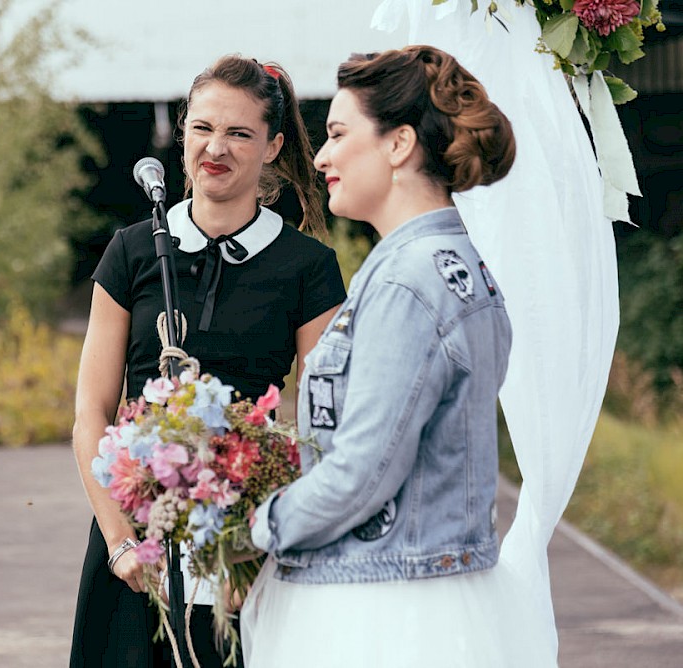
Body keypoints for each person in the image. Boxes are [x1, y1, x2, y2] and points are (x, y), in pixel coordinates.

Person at [241, 46, 554, 667]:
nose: (322, 156)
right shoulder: (459, 264)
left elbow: (364, 467)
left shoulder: (406, 283)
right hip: (433, 584)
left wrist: (260, 523)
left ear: (398, 144)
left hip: (386, 605)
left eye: (336, 133)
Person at [69, 56, 346, 667]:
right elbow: (91, 411)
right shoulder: (133, 250)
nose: (214, 148)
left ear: (273, 145)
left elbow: (326, 426)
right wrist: (119, 542)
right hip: (133, 543)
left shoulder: (308, 268)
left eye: (239, 133)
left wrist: (258, 547)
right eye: (202, 129)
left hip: (244, 552)